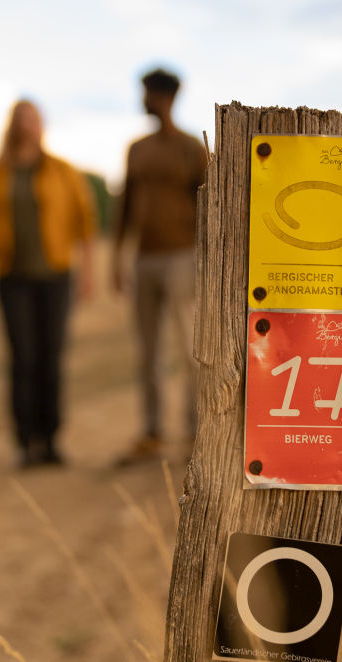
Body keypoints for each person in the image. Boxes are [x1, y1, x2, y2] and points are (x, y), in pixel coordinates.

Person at [0, 100, 97, 468]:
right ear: (13, 125)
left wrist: (88, 272)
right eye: (24, 119)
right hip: (13, 278)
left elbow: (84, 223)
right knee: (22, 357)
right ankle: (25, 440)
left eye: (36, 119)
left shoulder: (61, 171)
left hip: (56, 277)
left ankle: (51, 438)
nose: (30, 125)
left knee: (51, 357)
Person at [111, 68, 208, 464]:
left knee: (189, 346)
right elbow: (125, 205)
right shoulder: (137, 148)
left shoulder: (190, 148)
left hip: (183, 257)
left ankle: (194, 433)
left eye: (147, 93)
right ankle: (151, 432)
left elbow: (206, 207)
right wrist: (116, 255)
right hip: (144, 259)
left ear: (165, 96)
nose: (143, 100)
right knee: (147, 349)